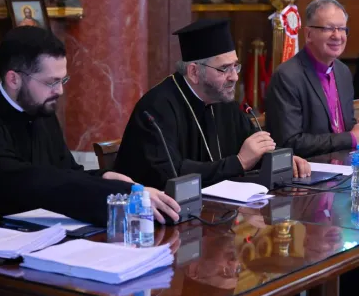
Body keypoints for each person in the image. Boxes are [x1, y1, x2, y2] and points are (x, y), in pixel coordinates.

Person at [0, 26, 180, 233]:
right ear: (13, 79)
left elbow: (66, 172)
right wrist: (119, 192)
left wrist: (103, 177)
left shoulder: (41, 113)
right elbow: (28, 182)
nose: (59, 91)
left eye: (62, 80)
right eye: (51, 82)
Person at [113, 19, 310, 189]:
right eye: (224, 69)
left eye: (235, 66)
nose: (234, 77)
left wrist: (281, 161)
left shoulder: (224, 100)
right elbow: (170, 175)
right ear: (194, 72)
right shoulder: (156, 109)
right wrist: (238, 163)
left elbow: (254, 149)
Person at [265, 0, 359, 158]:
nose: (337, 36)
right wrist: (351, 138)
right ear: (308, 34)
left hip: (344, 166)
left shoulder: (343, 72)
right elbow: (289, 142)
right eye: (328, 29)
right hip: (308, 172)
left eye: (342, 29)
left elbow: (345, 127)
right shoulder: (287, 76)